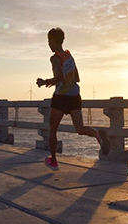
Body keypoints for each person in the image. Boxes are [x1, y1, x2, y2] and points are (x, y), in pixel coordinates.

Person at [36, 27, 110, 170]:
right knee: (80, 128)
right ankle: (97, 135)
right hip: (75, 96)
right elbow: (76, 78)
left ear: (52, 41)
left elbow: (60, 77)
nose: (48, 45)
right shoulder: (69, 56)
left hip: (61, 97)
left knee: (52, 129)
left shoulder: (55, 58)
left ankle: (54, 161)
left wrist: (45, 82)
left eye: (48, 42)